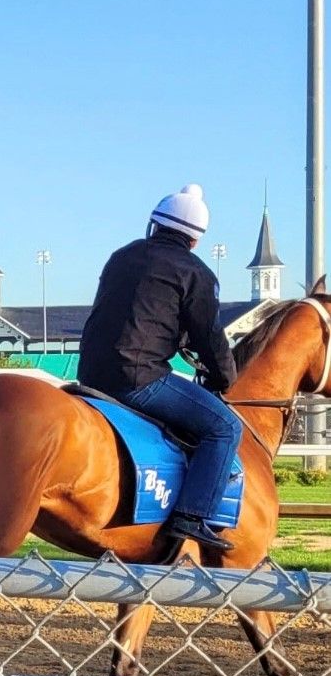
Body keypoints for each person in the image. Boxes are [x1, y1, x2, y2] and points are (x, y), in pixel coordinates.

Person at [80, 183, 242, 551]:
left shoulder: (121, 256)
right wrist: (224, 377)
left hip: (88, 374)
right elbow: (208, 336)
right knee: (225, 427)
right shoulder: (197, 273)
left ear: (154, 224)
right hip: (140, 378)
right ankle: (191, 516)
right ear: (195, 239)